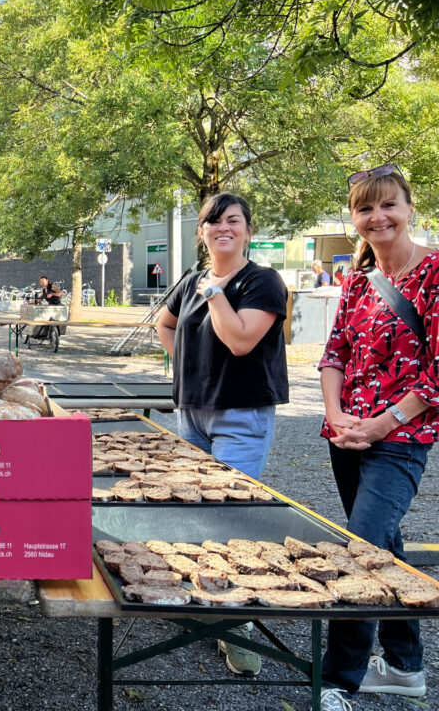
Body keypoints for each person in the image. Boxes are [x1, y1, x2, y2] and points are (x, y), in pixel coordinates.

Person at [317, 165, 437, 711]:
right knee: (383, 544)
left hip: (401, 437)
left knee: (360, 549)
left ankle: (338, 680)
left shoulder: (434, 273)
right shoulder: (358, 280)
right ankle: (406, 666)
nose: (377, 216)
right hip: (347, 434)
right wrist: (336, 414)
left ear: (409, 208)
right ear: (354, 218)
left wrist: (383, 423)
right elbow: (334, 354)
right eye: (365, 208)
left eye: (388, 204)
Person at [156, 191, 289, 677]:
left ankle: (236, 626)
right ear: (202, 232)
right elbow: (166, 325)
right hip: (192, 412)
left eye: (233, 220)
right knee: (193, 509)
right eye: (213, 221)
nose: (223, 228)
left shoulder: (262, 281)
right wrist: (189, 366)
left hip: (242, 415)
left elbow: (239, 340)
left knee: (228, 514)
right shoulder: (189, 280)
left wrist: (215, 291)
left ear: (248, 230)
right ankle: (204, 599)